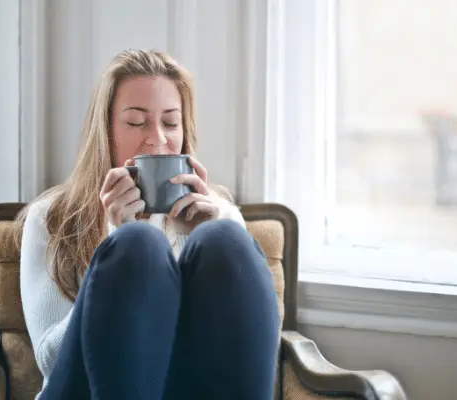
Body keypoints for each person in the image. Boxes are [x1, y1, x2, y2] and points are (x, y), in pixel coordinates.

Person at [16, 49, 280, 400]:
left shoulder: (219, 214)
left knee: (225, 238)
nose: (156, 138)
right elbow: (49, 361)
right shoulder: (51, 217)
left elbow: (251, 353)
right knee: (137, 244)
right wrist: (115, 241)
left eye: (170, 123)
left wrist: (195, 237)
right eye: (136, 122)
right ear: (106, 131)